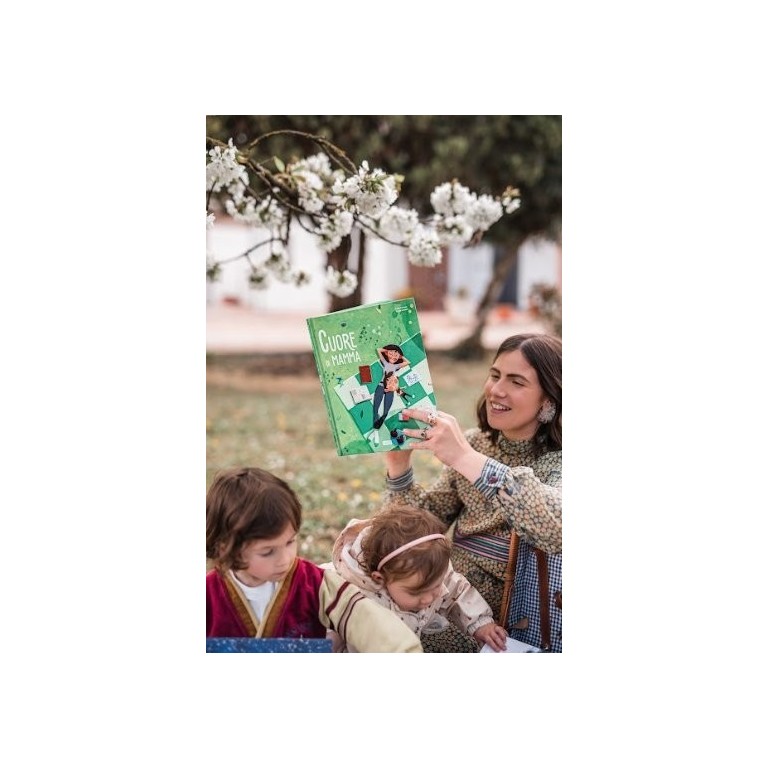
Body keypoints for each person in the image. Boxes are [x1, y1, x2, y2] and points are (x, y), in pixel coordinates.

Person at [381, 333, 562, 652]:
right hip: (445, 605)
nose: (496, 390)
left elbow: (556, 528)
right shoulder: (477, 442)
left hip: (505, 635)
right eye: (495, 375)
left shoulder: (558, 462)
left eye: (516, 381)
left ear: (549, 400)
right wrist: (399, 468)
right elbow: (416, 533)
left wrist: (465, 457)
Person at [206, 467, 423, 653]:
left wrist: (404, 651)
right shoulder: (208, 594)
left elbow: (367, 621)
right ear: (227, 547)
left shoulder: (315, 582)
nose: (285, 559)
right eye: (267, 552)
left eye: (290, 542)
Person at [329, 504, 508, 652]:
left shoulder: (431, 571)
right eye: (417, 592)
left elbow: (457, 591)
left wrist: (480, 623)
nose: (429, 598)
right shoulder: (354, 601)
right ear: (380, 578)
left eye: (436, 586)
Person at [372, 344, 411, 429]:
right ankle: (375, 424)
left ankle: (380, 422)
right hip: (381, 385)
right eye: (391, 355)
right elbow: (379, 350)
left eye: (395, 356)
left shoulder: (396, 366)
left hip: (390, 388)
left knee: (386, 410)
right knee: (375, 407)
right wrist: (388, 351)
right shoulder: (385, 363)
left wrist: (400, 356)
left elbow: (408, 362)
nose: (393, 357)